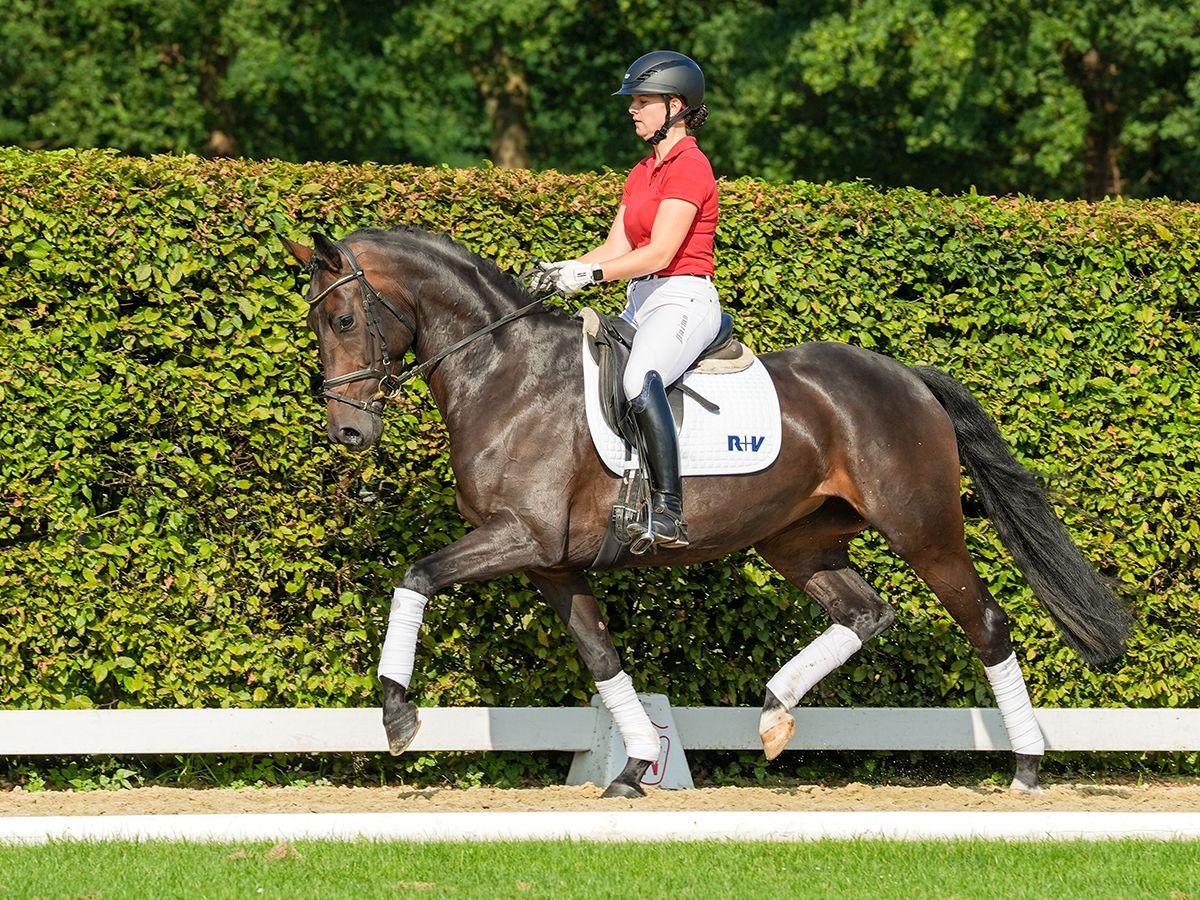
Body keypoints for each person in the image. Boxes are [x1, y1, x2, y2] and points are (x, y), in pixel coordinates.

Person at [536, 50, 721, 552]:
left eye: (643, 101)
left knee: (640, 378)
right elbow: (617, 248)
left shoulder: (691, 167)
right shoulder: (642, 172)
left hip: (683, 297)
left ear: (675, 106)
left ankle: (668, 510)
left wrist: (591, 273)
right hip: (642, 298)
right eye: (633, 102)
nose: (633, 110)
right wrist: (562, 269)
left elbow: (659, 251)